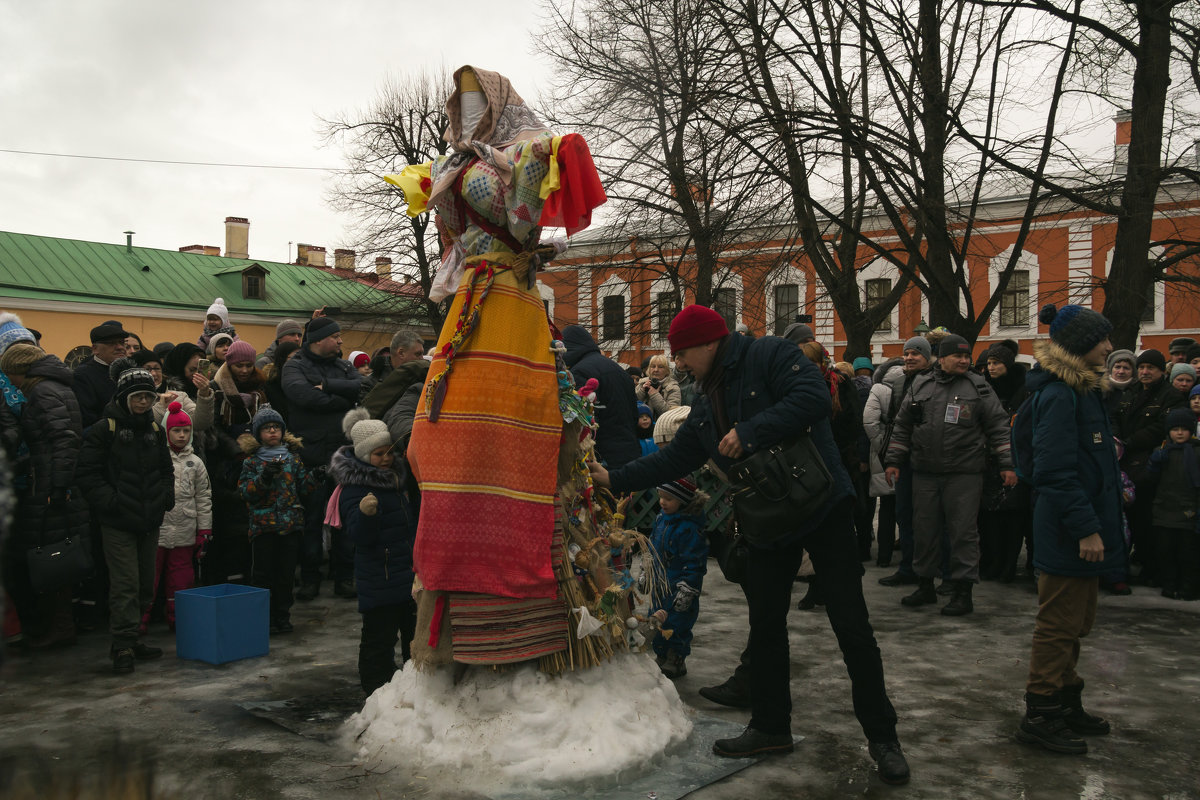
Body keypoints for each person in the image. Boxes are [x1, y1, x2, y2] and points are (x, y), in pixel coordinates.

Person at [590, 305, 909, 785]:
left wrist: (751, 430)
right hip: (766, 521)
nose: (678, 364)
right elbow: (677, 455)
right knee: (765, 626)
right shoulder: (708, 393)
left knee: (852, 628)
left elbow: (813, 400)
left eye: (681, 354)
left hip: (821, 510)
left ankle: (883, 737)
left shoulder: (771, 355)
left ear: (706, 343)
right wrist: (615, 476)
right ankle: (770, 726)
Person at [384, 64, 609, 675]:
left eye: (475, 98)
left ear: (501, 101)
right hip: (469, 307)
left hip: (506, 301)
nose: (466, 108)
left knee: (505, 428)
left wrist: (521, 169)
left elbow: (519, 225)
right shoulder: (454, 162)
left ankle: (519, 607)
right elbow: (457, 242)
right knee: (445, 432)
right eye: (459, 102)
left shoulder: (530, 151)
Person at [1016, 303, 1123, 755]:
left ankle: (1065, 699)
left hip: (1082, 524)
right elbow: (1055, 471)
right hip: (1067, 530)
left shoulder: (1084, 391)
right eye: (1103, 339)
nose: (1110, 347)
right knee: (1057, 625)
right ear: (1081, 344)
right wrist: (1085, 529)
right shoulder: (1060, 394)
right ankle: (1040, 712)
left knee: (1078, 621)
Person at [885, 334, 1015, 616]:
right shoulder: (921, 383)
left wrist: (1007, 464)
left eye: (967, 356)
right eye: (958, 356)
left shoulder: (978, 387)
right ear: (941, 358)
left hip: (964, 474)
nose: (964, 360)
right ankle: (925, 585)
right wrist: (894, 460)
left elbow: (999, 427)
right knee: (924, 530)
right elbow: (902, 425)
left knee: (962, 533)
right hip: (924, 472)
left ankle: (962, 591)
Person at [75, 358, 174, 674]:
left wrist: (164, 499)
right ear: (123, 398)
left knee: (146, 584)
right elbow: (88, 474)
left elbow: (165, 470)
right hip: (118, 521)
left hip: (149, 518)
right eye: (138, 397)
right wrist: (112, 502)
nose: (144, 402)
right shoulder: (105, 430)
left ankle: (134, 637)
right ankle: (122, 645)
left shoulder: (156, 430)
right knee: (125, 584)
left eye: (148, 396)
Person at [0, 342, 90, 649]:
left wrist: (57, 487)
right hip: (50, 479)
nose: (9, 381)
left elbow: (63, 440)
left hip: (52, 485)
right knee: (52, 554)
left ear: (20, 370)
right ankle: (56, 626)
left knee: (51, 557)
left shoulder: (42, 392)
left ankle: (59, 628)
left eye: (9, 373)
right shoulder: (53, 387)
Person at [331, 409, 417, 695]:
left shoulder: (396, 479)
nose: (387, 458)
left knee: (413, 635)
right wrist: (367, 515)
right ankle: (375, 690)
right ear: (364, 455)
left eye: (389, 452)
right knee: (379, 639)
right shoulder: (354, 488)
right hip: (379, 575)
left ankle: (413, 685)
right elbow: (357, 536)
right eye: (379, 454)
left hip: (405, 571)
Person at [282, 316, 362, 601]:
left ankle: (344, 577)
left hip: (342, 455)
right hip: (310, 456)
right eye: (336, 336)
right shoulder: (294, 366)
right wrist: (341, 398)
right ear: (318, 340)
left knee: (345, 520)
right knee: (311, 520)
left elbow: (361, 387)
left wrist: (327, 386)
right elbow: (303, 396)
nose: (341, 341)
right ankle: (310, 578)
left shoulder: (343, 366)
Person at [237, 408, 315, 634]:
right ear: (258, 433)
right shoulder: (251, 462)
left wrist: (316, 477)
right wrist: (264, 478)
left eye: (276, 427)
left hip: (290, 525)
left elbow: (304, 488)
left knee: (286, 575)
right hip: (264, 527)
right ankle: (264, 617)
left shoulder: (293, 459)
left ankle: (283, 615)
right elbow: (245, 492)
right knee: (263, 575)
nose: (272, 431)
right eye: (266, 428)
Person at [1114, 348, 1185, 585]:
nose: (1144, 372)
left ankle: (1150, 566)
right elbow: (1115, 416)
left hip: (1148, 463)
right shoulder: (1130, 391)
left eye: (1150, 368)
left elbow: (1161, 427)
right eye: (1142, 367)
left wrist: (1130, 442)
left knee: (1145, 518)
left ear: (1160, 371)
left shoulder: (1170, 395)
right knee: (1128, 517)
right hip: (1123, 460)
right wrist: (1116, 439)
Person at [146, 402, 211, 632]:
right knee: (148, 579)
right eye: (176, 430)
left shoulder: (196, 463)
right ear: (166, 431)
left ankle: (179, 620)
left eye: (186, 430)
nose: (182, 435)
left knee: (181, 579)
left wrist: (204, 530)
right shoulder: (154, 458)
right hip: (157, 531)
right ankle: (139, 622)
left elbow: (203, 498)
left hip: (185, 530)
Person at [876, 337, 934, 587]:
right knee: (904, 515)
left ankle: (927, 572)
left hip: (926, 461)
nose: (910, 358)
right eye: (907, 353)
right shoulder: (903, 382)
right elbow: (899, 423)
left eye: (916, 354)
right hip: (904, 460)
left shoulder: (933, 382)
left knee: (926, 520)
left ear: (927, 357)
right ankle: (908, 567)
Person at [979, 340, 1033, 582]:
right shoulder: (984, 387)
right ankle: (992, 562)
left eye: (997, 363)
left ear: (1008, 364)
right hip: (986, 460)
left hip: (1015, 459)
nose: (991, 367)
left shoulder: (1024, 389)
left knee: (1012, 517)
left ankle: (1008, 565)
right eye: (989, 363)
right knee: (989, 517)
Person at [647, 477, 708, 680]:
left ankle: (676, 657)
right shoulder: (661, 519)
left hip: (678, 583)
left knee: (677, 622)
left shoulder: (689, 528)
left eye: (669, 498)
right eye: (661, 497)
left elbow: (694, 561)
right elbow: (653, 549)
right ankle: (661, 654)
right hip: (659, 582)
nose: (663, 502)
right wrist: (647, 571)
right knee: (657, 619)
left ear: (682, 500)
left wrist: (688, 588)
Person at [562, 326, 641, 469]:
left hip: (603, 457)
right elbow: (634, 412)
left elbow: (584, 420)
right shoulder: (617, 369)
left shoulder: (579, 371)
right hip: (629, 451)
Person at [1146, 407, 1200, 600]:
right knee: (1166, 551)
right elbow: (1150, 480)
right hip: (1164, 509)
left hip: (1188, 510)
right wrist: (1153, 463)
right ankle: (1169, 584)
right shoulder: (1161, 451)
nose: (1179, 433)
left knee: (1188, 553)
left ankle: (1189, 587)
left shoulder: (1196, 452)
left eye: (1184, 429)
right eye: (1175, 428)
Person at [863, 357, 904, 568]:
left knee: (887, 506)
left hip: (882, 454)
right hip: (908, 452)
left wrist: (881, 444)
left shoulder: (878, 389)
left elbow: (869, 421)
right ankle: (909, 555)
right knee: (908, 507)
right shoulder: (914, 383)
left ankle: (884, 557)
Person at [361, 330, 430, 453]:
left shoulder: (420, 379)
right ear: (401, 353)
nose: (422, 359)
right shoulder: (371, 383)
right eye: (418, 354)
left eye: (422, 354)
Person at [73, 322, 129, 430]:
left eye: (122, 343)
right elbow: (87, 418)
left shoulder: (130, 372)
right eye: (112, 343)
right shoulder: (82, 375)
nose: (120, 347)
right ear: (95, 349)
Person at [262, 340, 301, 421]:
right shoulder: (269, 387)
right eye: (295, 357)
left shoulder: (304, 382)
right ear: (282, 359)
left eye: (301, 357)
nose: (299, 362)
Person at [1103, 349, 1136, 423]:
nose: (1121, 372)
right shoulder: (1101, 390)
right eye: (1117, 367)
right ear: (1111, 369)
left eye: (1126, 368)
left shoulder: (1137, 392)